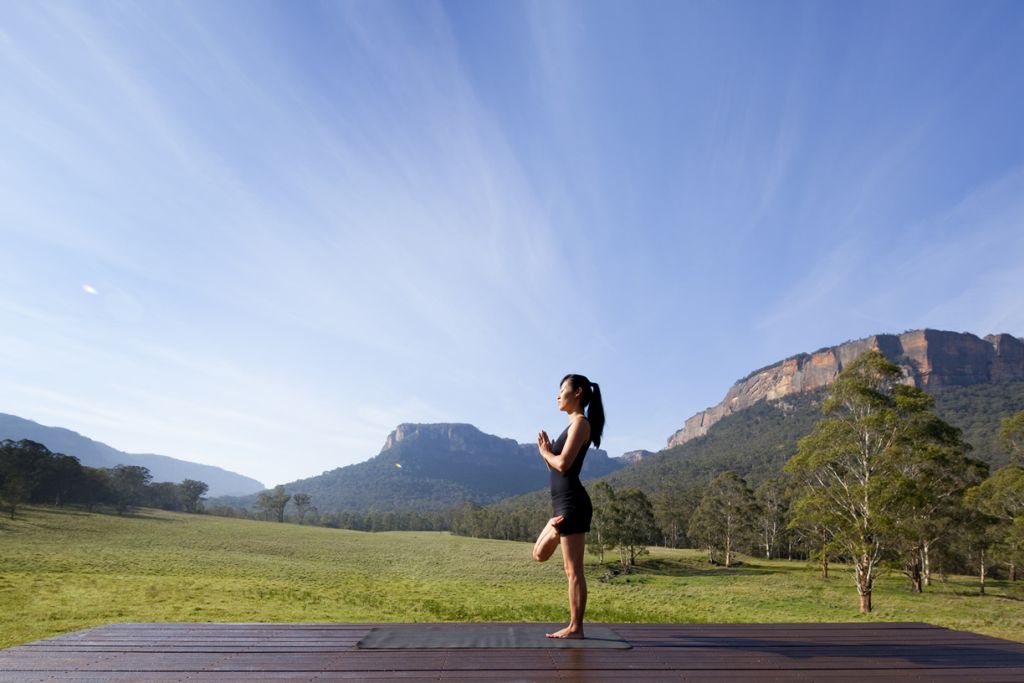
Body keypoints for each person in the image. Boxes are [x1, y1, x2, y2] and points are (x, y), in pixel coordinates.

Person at [532, 373, 605, 639]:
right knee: (538, 555)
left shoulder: (581, 424)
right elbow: (558, 465)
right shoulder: (572, 425)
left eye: (563, 389)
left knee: (573, 570)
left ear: (578, 393)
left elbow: (563, 465)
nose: (558, 395)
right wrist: (548, 453)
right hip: (562, 503)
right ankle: (554, 528)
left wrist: (545, 453)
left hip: (572, 503)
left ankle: (576, 627)